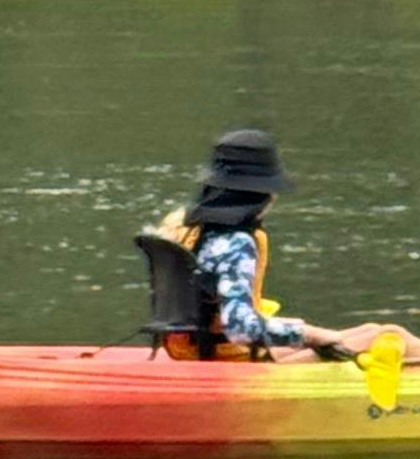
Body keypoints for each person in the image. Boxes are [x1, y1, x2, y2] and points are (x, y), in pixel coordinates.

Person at [149, 125, 357, 362]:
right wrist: (312, 334)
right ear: (263, 193)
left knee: (368, 331)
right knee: (389, 335)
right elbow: (240, 328)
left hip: (187, 349)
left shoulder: (178, 223)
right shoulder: (236, 242)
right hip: (229, 358)